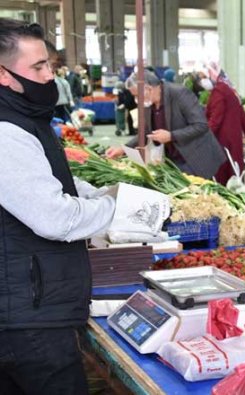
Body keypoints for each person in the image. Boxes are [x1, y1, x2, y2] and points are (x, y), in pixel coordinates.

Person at [0, 19, 116, 393]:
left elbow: (49, 180)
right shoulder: (5, 131)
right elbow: (55, 219)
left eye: (49, 64)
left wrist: (97, 192)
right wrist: (117, 208)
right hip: (27, 320)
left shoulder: (23, 119)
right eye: (38, 67)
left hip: (28, 305)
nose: (50, 75)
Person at [105, 71, 226, 179]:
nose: (137, 100)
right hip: (173, 159)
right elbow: (146, 133)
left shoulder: (179, 94)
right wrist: (123, 149)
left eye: (137, 95)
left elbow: (201, 125)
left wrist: (171, 136)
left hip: (195, 157)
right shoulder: (148, 103)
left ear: (148, 89)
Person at [204, 63, 245, 185]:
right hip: (235, 139)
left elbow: (216, 119)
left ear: (215, 76)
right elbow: (243, 117)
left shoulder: (219, 91)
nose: (206, 80)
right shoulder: (232, 91)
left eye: (208, 76)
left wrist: (205, 136)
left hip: (222, 140)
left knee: (222, 174)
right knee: (235, 170)